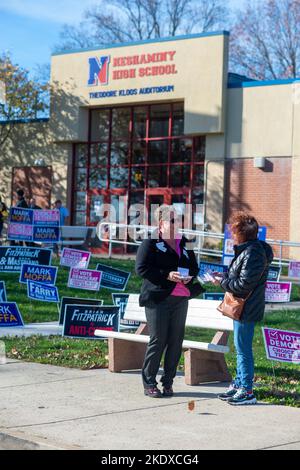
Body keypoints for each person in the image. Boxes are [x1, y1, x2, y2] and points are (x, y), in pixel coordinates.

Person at [135, 205, 204, 398]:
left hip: (181, 298)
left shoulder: (185, 242)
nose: (177, 223)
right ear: (161, 223)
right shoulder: (151, 242)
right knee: (158, 340)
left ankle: (168, 382)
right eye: (172, 220)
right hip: (158, 298)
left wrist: (189, 276)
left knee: (175, 341)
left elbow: (194, 267)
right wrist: (167, 275)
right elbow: (141, 269)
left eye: (179, 219)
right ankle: (149, 383)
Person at [212, 212, 273, 406]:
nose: (231, 234)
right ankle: (239, 383)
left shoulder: (253, 253)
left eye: (233, 231)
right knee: (240, 348)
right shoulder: (248, 250)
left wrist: (222, 282)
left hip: (247, 308)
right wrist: (223, 276)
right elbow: (239, 276)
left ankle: (247, 390)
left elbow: (243, 284)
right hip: (244, 307)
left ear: (241, 233)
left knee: (243, 349)